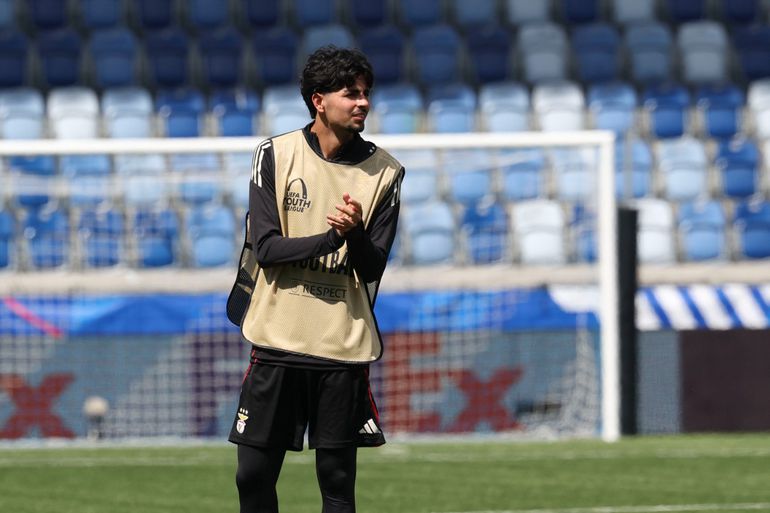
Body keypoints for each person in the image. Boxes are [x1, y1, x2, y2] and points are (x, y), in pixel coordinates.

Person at [226, 45, 405, 513]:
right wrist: (332, 238)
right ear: (318, 100)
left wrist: (357, 233)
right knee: (253, 475)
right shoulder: (275, 154)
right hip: (278, 339)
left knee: (337, 480)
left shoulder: (386, 171)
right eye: (352, 94)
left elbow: (372, 267)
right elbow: (265, 249)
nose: (363, 102)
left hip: (340, 348)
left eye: (367, 93)